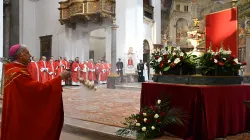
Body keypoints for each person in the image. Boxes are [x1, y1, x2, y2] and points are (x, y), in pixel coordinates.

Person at [1, 44, 71, 140]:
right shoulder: (18, 73)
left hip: (17, 111)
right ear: (20, 55)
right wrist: (59, 78)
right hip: (20, 115)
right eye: (27, 53)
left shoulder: (12, 70)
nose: (30, 55)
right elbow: (38, 90)